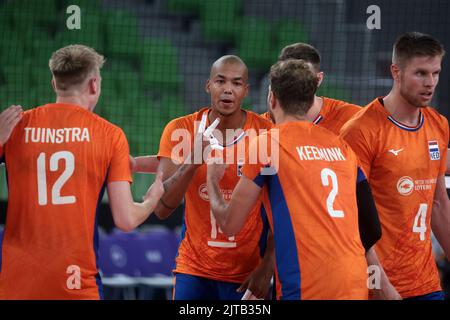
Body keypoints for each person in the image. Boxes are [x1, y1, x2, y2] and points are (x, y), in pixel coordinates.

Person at [206, 59, 382, 299]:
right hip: (354, 283)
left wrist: (212, 181)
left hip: (307, 286)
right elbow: (371, 226)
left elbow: (229, 224)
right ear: (311, 101)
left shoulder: (266, 144)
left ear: (272, 99)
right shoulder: (341, 146)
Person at [0, 45, 164, 299]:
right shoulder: (110, 135)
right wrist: (153, 198)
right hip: (76, 284)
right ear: (94, 84)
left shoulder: (17, 125)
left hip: (17, 283)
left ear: (55, 83)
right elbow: (126, 219)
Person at [153, 55, 275, 300]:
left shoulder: (267, 134)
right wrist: (192, 162)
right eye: (221, 81)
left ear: (246, 91)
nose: (228, 89)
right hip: (194, 270)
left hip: (248, 273)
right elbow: (161, 208)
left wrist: (268, 266)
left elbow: (282, 207)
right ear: (208, 85)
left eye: (237, 83)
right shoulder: (180, 131)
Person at [341, 32, 450, 300]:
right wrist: (380, 283)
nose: (430, 83)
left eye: (435, 73)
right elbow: (349, 217)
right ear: (395, 71)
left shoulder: (439, 125)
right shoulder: (361, 130)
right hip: (374, 285)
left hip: (426, 283)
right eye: (421, 73)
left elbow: (438, 204)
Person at [260, 43, 361, 135]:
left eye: (304, 75)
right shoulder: (258, 127)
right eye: (287, 76)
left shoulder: (354, 119)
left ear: (319, 79)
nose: (294, 82)